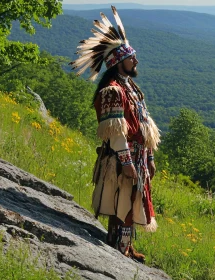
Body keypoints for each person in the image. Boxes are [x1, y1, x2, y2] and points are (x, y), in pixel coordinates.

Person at [69, 6, 160, 263]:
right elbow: (115, 131)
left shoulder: (130, 88)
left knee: (131, 201)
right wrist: (127, 161)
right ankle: (118, 248)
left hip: (137, 155)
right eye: (132, 58)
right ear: (119, 61)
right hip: (123, 157)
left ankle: (126, 247)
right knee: (121, 202)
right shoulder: (112, 91)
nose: (136, 61)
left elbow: (144, 124)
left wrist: (149, 156)